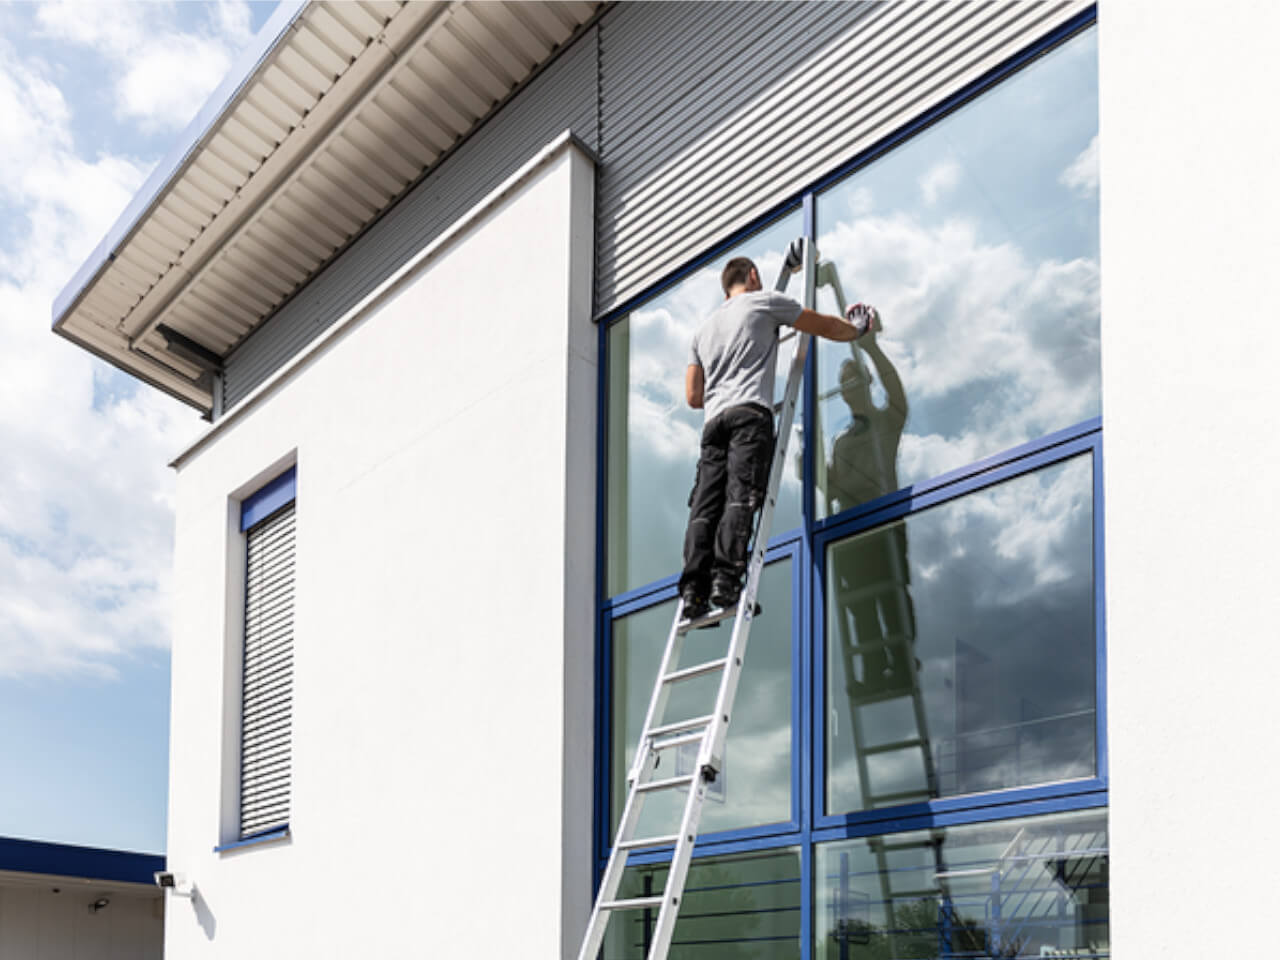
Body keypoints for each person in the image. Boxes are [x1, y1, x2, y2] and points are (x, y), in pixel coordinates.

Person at [679, 254, 879, 619]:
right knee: (741, 497)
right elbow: (825, 327)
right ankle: (726, 582)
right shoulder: (765, 301)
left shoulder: (703, 330)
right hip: (748, 415)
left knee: (706, 506)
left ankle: (693, 590)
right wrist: (858, 328)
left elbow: (694, 397)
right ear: (753, 275)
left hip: (713, 424)